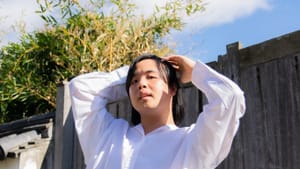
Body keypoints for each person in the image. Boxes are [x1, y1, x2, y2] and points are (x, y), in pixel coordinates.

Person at [69, 54, 246, 169]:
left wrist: (193, 72)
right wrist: (131, 75)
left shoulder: (192, 144)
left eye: (151, 77)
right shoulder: (106, 137)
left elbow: (230, 97)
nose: (141, 84)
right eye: (134, 81)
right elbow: (80, 88)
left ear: (173, 88)